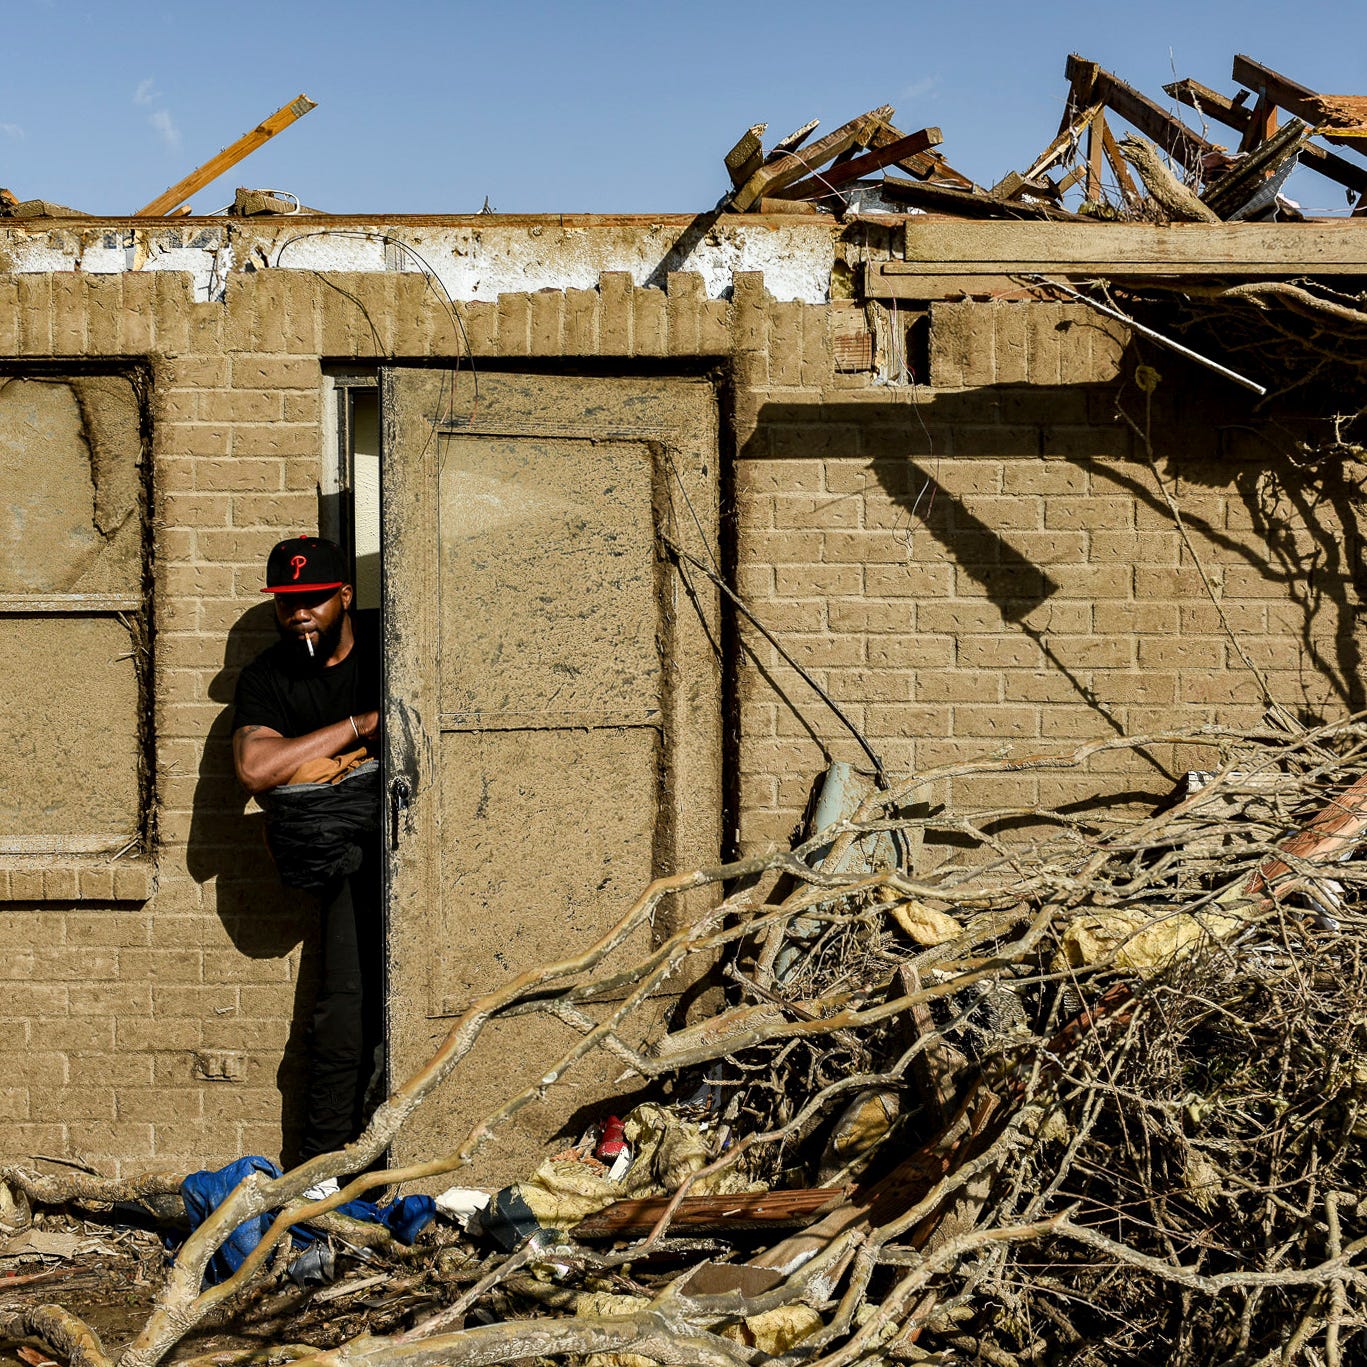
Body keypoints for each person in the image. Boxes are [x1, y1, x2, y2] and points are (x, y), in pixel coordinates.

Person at [231, 534, 383, 1166]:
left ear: (344, 595)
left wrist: (321, 763)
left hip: (414, 846)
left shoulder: (386, 644)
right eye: (287, 602)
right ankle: (323, 1173)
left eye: (315, 600)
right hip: (339, 863)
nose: (300, 613)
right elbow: (255, 768)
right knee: (344, 1012)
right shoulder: (269, 675)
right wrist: (359, 729)